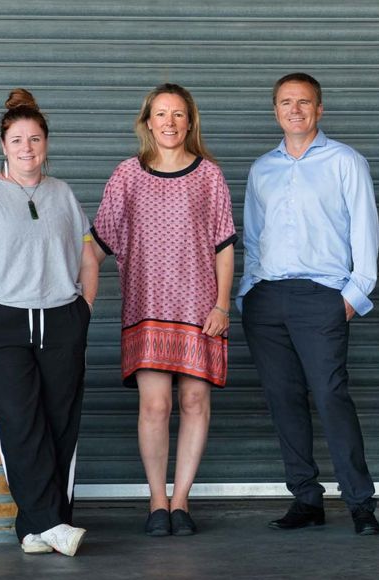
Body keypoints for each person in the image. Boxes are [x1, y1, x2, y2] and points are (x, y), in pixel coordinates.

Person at [0, 89, 97, 556]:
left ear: (46, 144)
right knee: (18, 421)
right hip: (1, 323)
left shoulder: (62, 194)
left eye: (34, 139)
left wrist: (84, 308)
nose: (26, 147)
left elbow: (88, 257)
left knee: (58, 423)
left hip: (60, 318)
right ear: (3, 145)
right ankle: (53, 523)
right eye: (17, 139)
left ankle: (35, 529)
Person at [237, 72, 379, 536]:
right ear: (275, 110)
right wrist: (247, 294)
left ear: (319, 110)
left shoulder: (345, 162)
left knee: (331, 396)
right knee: (284, 401)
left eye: (304, 102)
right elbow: (253, 239)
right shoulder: (262, 169)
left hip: (323, 297)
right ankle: (305, 498)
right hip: (267, 301)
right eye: (285, 102)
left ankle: (361, 504)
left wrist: (352, 297)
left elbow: (365, 232)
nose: (294, 110)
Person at [91, 83, 236, 537]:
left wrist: (222, 304)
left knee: (194, 402)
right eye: (161, 114)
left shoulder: (209, 176)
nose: (169, 122)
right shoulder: (126, 175)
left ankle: (181, 501)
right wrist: (73, 295)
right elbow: (95, 245)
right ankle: (156, 501)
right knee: (154, 406)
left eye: (178, 114)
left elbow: (224, 247)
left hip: (200, 311)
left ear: (190, 122)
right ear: (147, 121)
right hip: (146, 307)